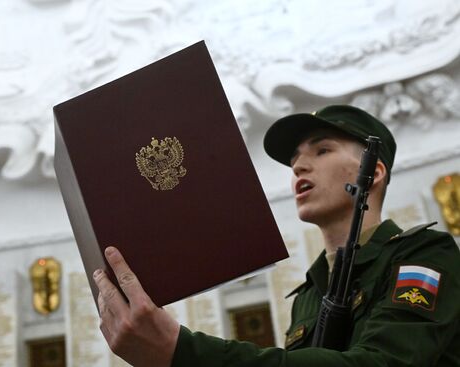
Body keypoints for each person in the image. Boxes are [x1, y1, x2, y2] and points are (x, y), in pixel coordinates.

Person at [93, 105, 460, 367]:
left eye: (322, 149)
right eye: (295, 158)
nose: (299, 165)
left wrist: (184, 352)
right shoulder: (310, 293)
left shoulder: (423, 256)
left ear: (373, 172)